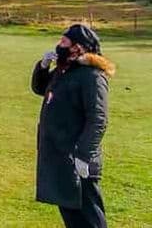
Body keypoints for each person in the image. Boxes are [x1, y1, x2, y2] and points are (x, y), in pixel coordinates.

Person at [31, 24, 113, 228]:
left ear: (79, 47)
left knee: (89, 217)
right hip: (61, 155)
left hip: (78, 159)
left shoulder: (92, 77)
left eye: (64, 42)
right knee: (71, 213)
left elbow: (98, 119)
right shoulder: (64, 70)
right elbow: (42, 88)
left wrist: (84, 156)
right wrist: (42, 67)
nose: (60, 45)